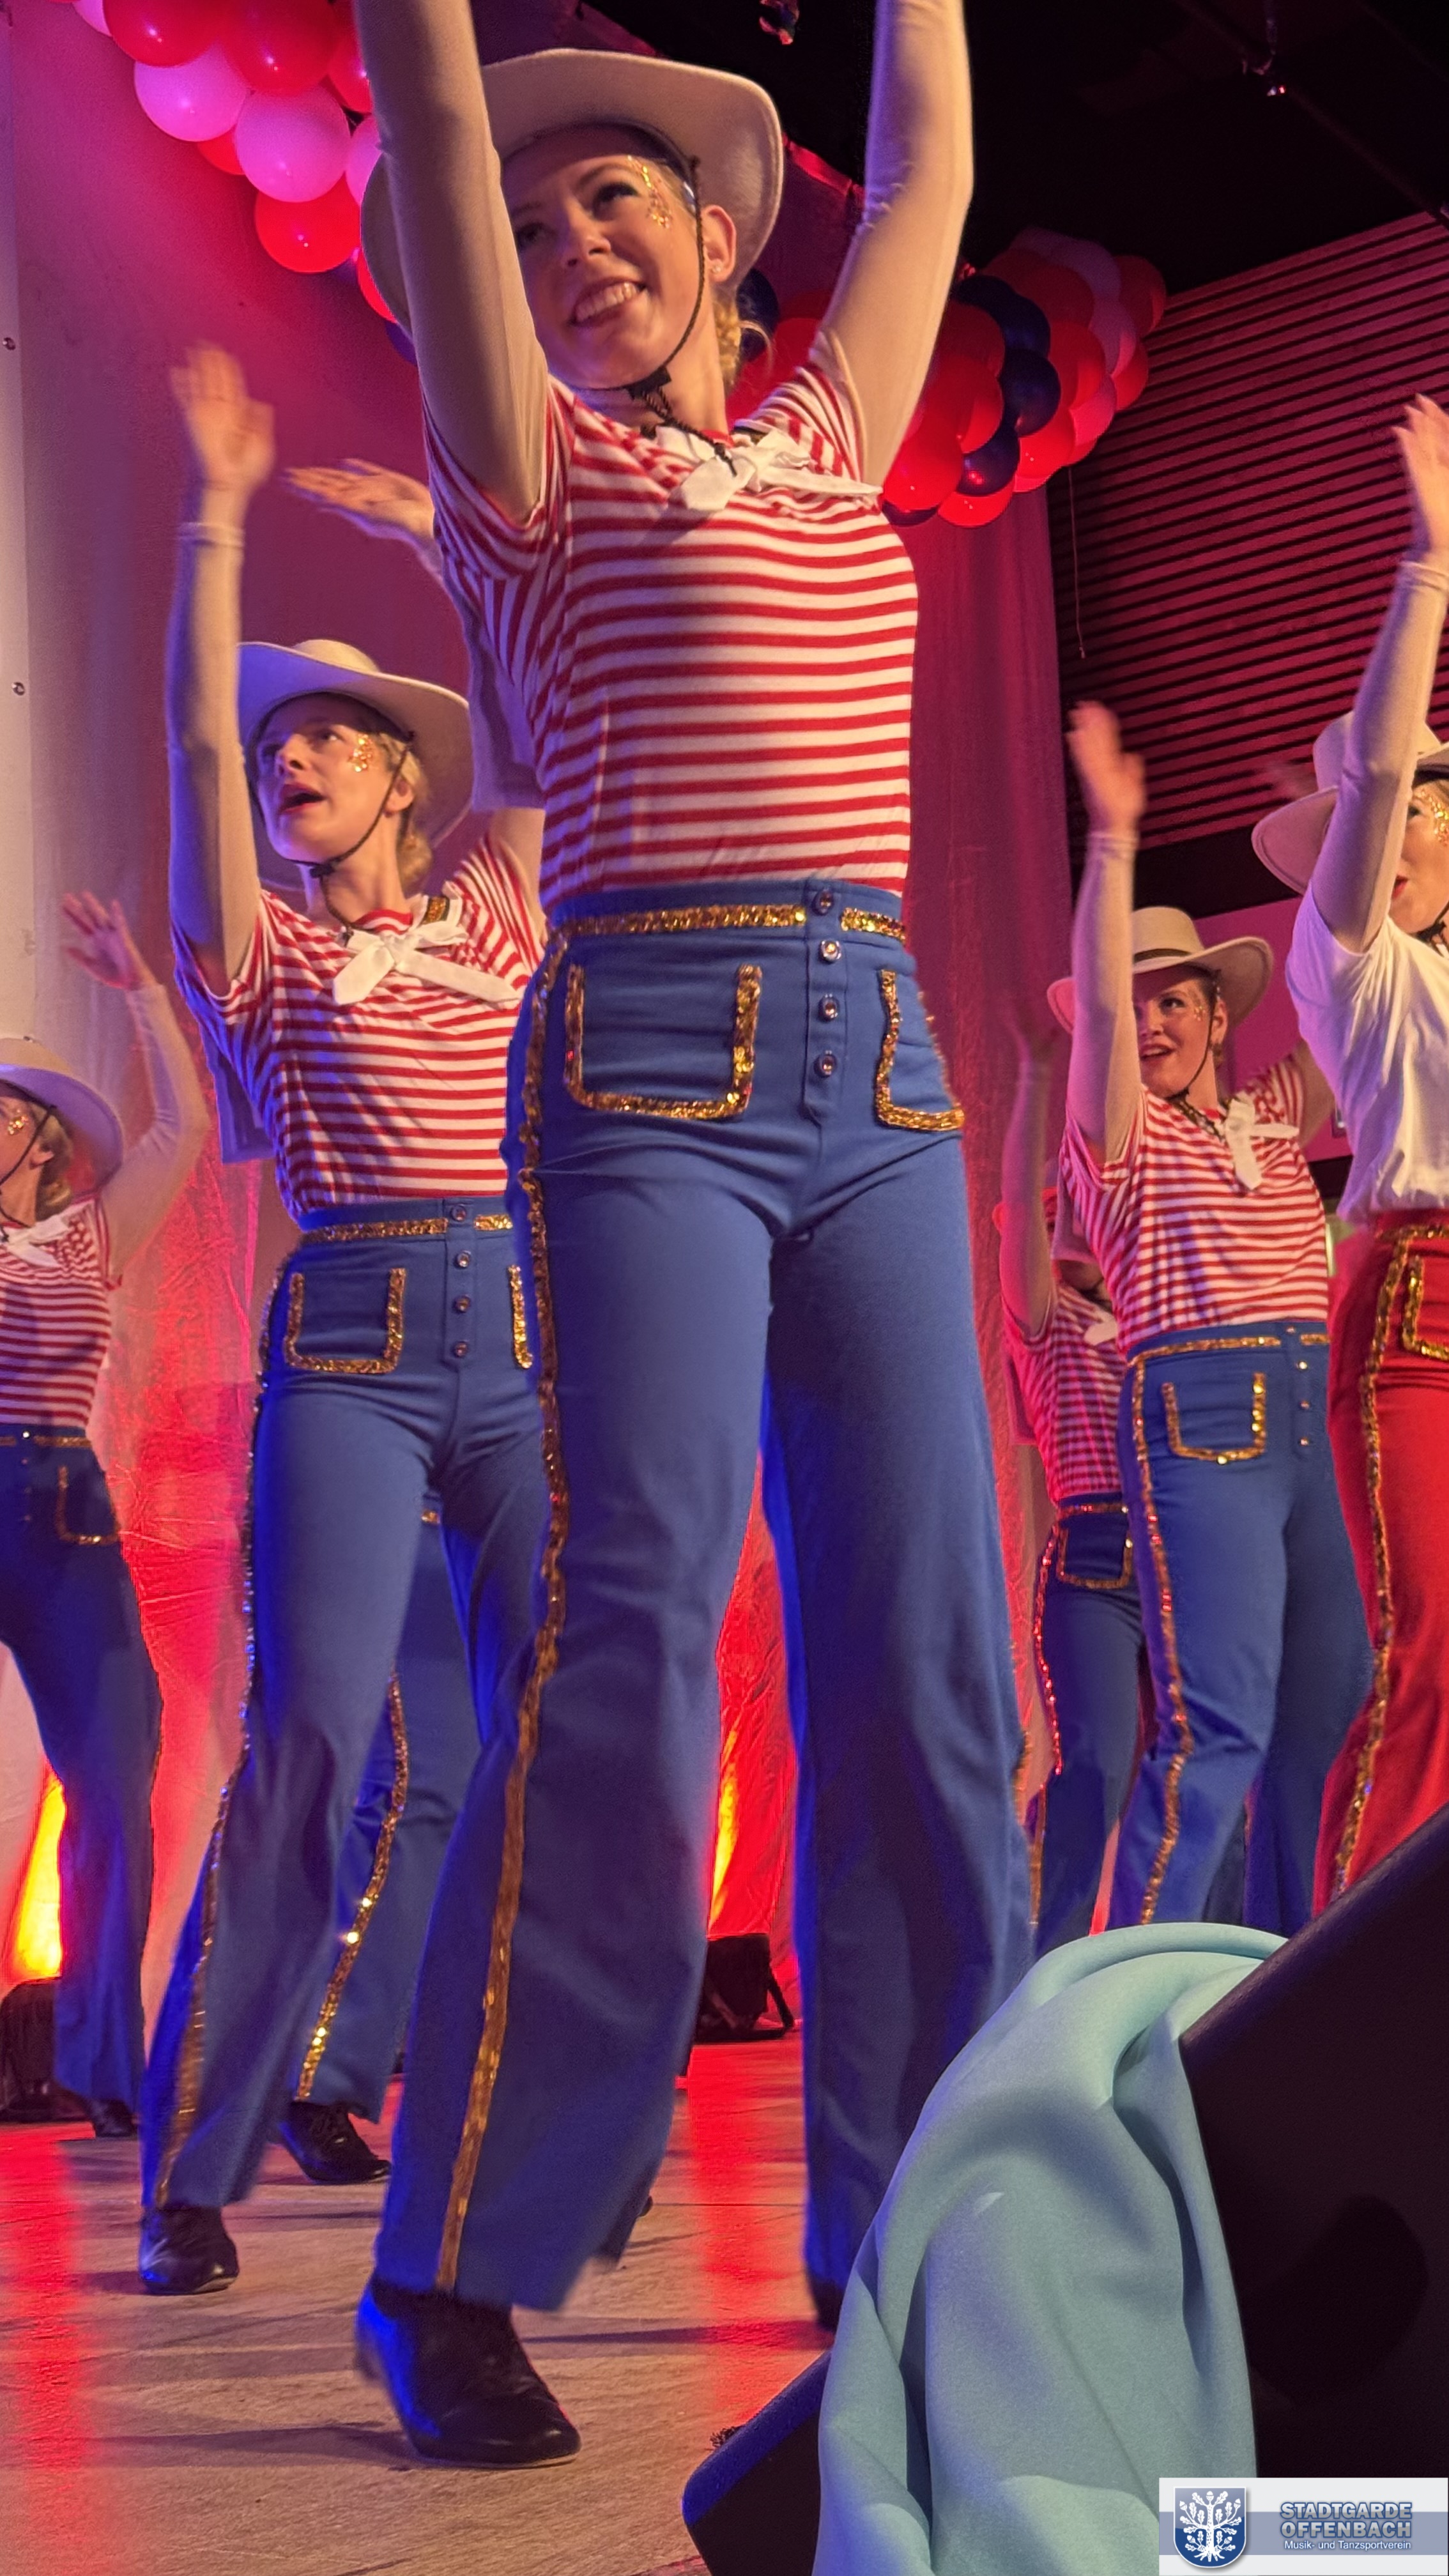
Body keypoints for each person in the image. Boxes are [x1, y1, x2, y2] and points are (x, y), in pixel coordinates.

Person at [348, 0, 1029, 2465]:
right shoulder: (527, 466)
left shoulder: (829, 434)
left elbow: (928, 151)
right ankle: (453, 2257)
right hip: (643, 1058)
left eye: (613, 200)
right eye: (531, 231)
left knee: (925, 1667)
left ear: (723, 235)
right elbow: (432, 113)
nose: (568, 247)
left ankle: (921, 2228)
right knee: (626, 1638)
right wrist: (440, 88)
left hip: (881, 1077)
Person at [138, 348, 548, 2296]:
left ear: (401, 777)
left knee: (551, 1731)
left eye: (326, 739)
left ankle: (511, 2127)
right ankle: (191, 2166)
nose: (288, 760)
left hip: (521, 1335)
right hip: (355, 1342)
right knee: (311, 1738)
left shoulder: (491, 916)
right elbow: (191, 755)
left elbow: (545, 728)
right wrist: (215, 520)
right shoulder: (269, 954)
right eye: (277, 747)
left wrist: (458, 560)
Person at [1057, 704, 1372, 1936]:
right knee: (1217, 1729)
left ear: (1219, 1012)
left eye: (1175, 1001)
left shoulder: (1274, 1119)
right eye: (1136, 1004)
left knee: (1329, 1726)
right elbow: (1097, 1011)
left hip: (1315, 1418)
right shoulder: (1120, 1137)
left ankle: (1299, 1987)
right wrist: (1113, 839)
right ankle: (1127, 2005)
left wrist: (1341, 846)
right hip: (1206, 1419)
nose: (1152, 1020)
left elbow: (1347, 982)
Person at [1257, 395, 1449, 1899]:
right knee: (1428, 1653)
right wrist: (1430, 569)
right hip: (1416, 1305)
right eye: (1407, 810)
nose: (1414, 826)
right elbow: (1378, 776)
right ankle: (1346, 1980)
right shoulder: (1355, 967)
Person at [0, 896, 208, 2134]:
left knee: (118, 1778)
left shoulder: (89, 1234)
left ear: (41, 1139)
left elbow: (185, 1128)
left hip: (64, 1513)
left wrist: (140, 990)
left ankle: (101, 2063)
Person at [997, 1026, 1143, 1953]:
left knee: (1196, 1766)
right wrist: (1036, 1074)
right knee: (1094, 1767)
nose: (1074, 1225)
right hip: (1094, 1554)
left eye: (1086, 1209)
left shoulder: (1149, 1318)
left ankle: (1184, 1951)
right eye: (1062, 1214)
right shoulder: (1046, 1321)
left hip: (1181, 1548)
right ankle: (1044, 1961)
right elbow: (1014, 1203)